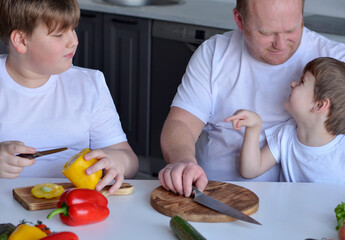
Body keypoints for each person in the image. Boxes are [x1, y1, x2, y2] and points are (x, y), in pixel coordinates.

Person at [158, 0, 345, 197]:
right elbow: (181, 123)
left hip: (297, 206)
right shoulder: (214, 54)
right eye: (266, 32)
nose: (280, 44)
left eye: (292, 29)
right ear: (240, 20)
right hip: (215, 194)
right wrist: (183, 161)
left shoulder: (336, 63)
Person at [0, 0, 138, 194]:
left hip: (76, 204)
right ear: (21, 41)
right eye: (59, 34)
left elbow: (129, 159)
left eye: (73, 29)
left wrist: (117, 161)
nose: (74, 41)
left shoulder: (90, 84)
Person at [226, 57, 345, 182]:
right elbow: (250, 171)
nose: (292, 84)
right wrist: (254, 127)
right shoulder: (286, 134)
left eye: (302, 82)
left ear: (319, 105)